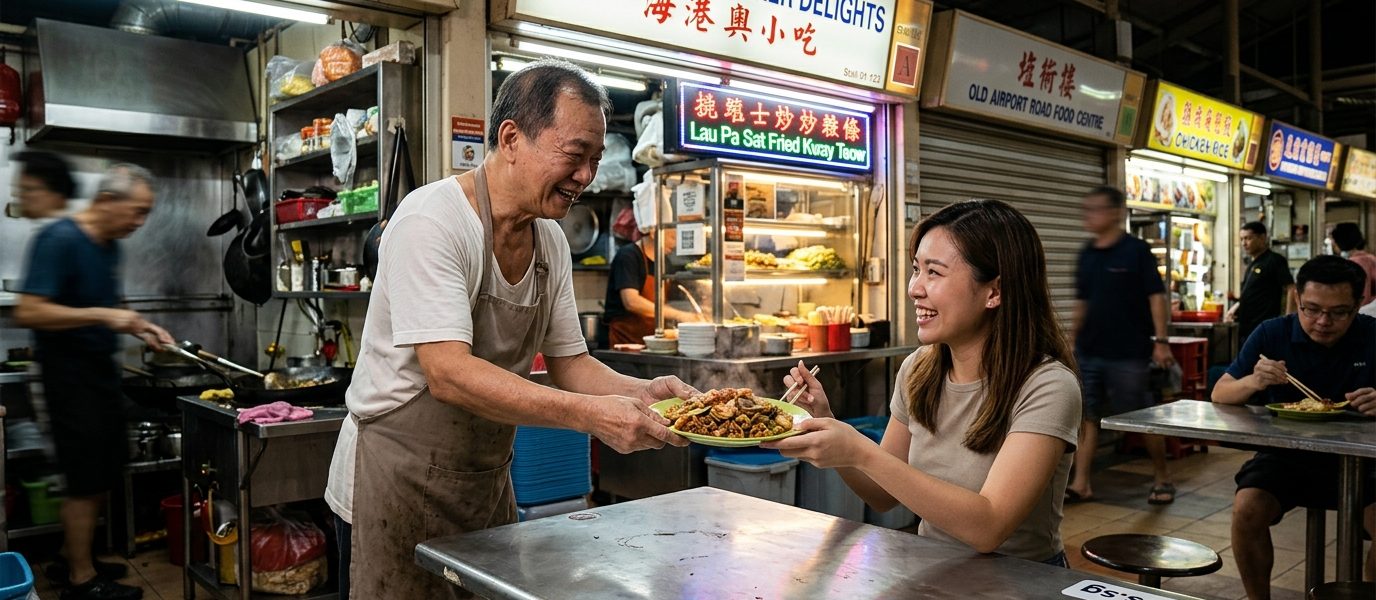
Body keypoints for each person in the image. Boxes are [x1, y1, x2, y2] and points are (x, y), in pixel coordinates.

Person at [325, 58, 694, 599]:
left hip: (482, 485)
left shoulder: (551, 243)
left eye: (595, 160)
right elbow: (447, 373)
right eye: (575, 155)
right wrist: (591, 416)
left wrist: (644, 394)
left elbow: (571, 364)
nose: (586, 177)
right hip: (391, 482)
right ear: (511, 138)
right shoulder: (432, 220)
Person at [764, 199, 1081, 565]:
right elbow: (882, 494)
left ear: (994, 292)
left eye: (934, 272)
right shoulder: (919, 369)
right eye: (916, 269)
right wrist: (827, 424)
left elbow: (989, 526)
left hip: (1025, 581)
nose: (914, 288)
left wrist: (860, 450)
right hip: (933, 569)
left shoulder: (1048, 386)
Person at [15, 164, 174, 600]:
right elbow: (29, 310)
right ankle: (82, 581)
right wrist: (104, 316)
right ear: (106, 200)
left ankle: (70, 557)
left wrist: (141, 327)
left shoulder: (109, 246)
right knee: (83, 478)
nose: (140, 222)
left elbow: (110, 306)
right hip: (67, 377)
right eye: (137, 211)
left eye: (146, 213)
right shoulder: (59, 238)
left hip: (100, 375)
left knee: (104, 471)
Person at [1212, 255, 1375, 599]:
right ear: (1297, 298)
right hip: (1286, 457)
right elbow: (1220, 393)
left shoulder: (1372, 334)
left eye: (1339, 312)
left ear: (1359, 304)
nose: (1323, 322)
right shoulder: (1273, 333)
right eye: (1311, 309)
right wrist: (1254, 381)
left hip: (1366, 461)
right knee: (1247, 509)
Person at [1066, 186, 1176, 505]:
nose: (1089, 215)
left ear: (1115, 212)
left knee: (1142, 417)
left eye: (1096, 209)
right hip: (1090, 351)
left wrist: (1161, 342)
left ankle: (1162, 478)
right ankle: (1082, 483)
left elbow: (1156, 297)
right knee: (1087, 416)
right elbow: (1082, 302)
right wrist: (1071, 342)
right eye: (1086, 209)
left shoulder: (1137, 251)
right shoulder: (1087, 254)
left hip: (1130, 353)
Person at [603, 226, 699, 345]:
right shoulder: (628, 256)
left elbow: (663, 303)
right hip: (624, 339)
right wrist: (681, 315)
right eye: (673, 237)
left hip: (651, 339)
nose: (675, 244)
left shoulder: (664, 262)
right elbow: (631, 302)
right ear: (653, 233)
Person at [1228, 221, 1294, 342]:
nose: (1244, 243)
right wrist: (1236, 306)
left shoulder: (1274, 260)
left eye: (1248, 238)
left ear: (1262, 238)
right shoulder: (1253, 264)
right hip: (1247, 328)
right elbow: (1251, 292)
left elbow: (1291, 288)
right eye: (1242, 239)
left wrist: (1288, 320)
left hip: (1265, 328)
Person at [11, 150, 75, 218]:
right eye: (21, 189)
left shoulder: (65, 224)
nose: (20, 195)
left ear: (57, 194)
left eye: (29, 189)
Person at [1331, 222, 1376, 307]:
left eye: (1334, 240)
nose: (1333, 243)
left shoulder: (1355, 263)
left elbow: (1363, 295)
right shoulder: (1371, 258)